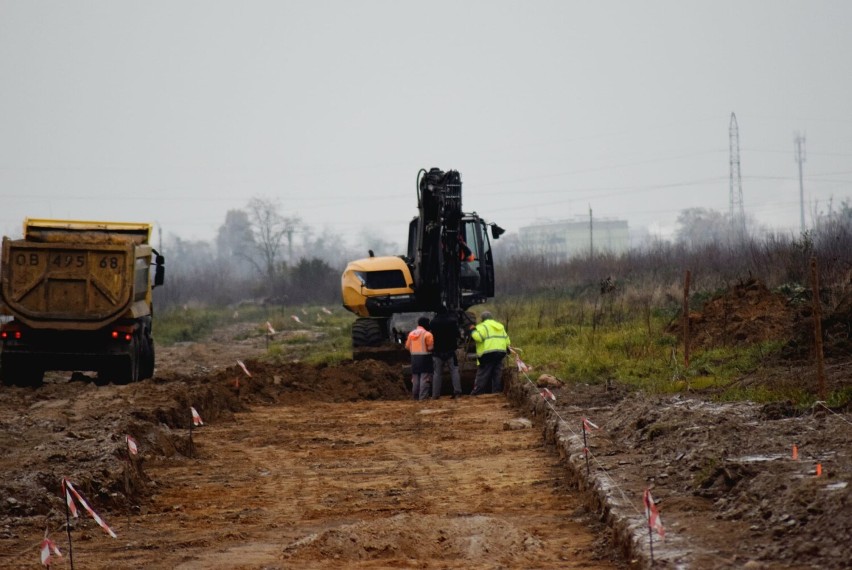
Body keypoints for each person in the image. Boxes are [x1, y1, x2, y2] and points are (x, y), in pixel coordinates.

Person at [469, 311, 511, 395]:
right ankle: (496, 392)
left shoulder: (483, 326)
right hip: (500, 353)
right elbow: (507, 341)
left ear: (483, 319)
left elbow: (479, 338)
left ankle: (477, 392)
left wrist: (473, 331)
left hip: (488, 353)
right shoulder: (500, 326)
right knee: (497, 373)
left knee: (483, 374)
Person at [429, 309, 462, 399]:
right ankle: (457, 392)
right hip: (450, 351)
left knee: (437, 373)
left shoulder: (433, 322)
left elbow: (431, 335)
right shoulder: (452, 321)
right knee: (454, 371)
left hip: (437, 352)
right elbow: (457, 334)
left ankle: (435, 395)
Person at [405, 316, 434, 400]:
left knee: (415, 378)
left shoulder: (411, 333)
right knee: (424, 378)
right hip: (425, 358)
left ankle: (415, 396)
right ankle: (423, 397)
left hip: (414, 358)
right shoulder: (427, 334)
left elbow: (407, 346)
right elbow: (430, 348)